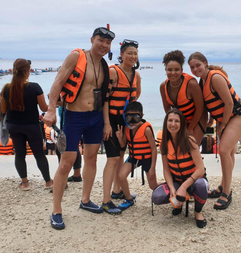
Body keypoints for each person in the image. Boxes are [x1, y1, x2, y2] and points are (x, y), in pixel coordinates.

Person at [42, 26, 114, 230]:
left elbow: (106, 96)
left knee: (91, 158)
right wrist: (51, 110)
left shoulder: (104, 66)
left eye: (107, 43)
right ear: (92, 40)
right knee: (66, 162)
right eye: (101, 40)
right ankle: (56, 210)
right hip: (73, 116)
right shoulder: (77, 56)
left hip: (95, 118)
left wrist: (107, 122)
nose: (104, 45)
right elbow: (58, 82)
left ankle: (85, 199)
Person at [188, 52, 241, 210]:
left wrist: (222, 124)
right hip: (223, 119)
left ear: (205, 63)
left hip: (236, 115)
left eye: (198, 65)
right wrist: (211, 120)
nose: (195, 69)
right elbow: (210, 103)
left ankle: (226, 193)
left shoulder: (215, 77)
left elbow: (228, 103)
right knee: (228, 153)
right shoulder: (202, 82)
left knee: (223, 151)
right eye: (192, 67)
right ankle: (223, 186)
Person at [0, 58, 52, 191]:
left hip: (14, 126)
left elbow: (3, 110)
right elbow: (44, 108)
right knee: (39, 154)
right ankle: (48, 181)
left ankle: (24, 183)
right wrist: (52, 100)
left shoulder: (6, 88)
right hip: (32, 126)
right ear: (27, 72)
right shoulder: (34, 87)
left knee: (19, 154)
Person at [151, 109, 208, 228]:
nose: (173, 124)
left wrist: (183, 187)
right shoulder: (164, 144)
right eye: (170, 120)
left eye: (177, 121)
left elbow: (200, 169)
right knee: (157, 197)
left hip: (194, 182)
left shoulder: (190, 141)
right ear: (166, 123)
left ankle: (198, 212)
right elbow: (166, 170)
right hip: (177, 182)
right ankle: (179, 203)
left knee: (201, 186)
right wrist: (172, 187)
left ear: (182, 124)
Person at [106, 40, 141, 203]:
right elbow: (104, 99)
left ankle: (116, 190)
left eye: (135, 53)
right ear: (121, 55)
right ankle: (110, 194)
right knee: (113, 157)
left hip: (127, 120)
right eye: (129, 53)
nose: (133, 56)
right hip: (112, 119)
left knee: (121, 154)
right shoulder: (113, 72)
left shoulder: (136, 75)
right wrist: (106, 123)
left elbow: (136, 95)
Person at [115, 101, 158, 210]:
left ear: (142, 116)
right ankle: (129, 199)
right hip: (134, 157)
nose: (133, 122)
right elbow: (123, 144)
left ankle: (172, 185)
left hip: (147, 158)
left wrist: (152, 167)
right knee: (121, 175)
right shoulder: (126, 128)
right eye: (129, 118)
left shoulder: (146, 129)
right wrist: (120, 138)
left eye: (136, 118)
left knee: (153, 186)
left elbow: (154, 149)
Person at [160, 50, 206, 146]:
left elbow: (200, 109)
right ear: (165, 70)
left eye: (176, 70)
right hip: (181, 121)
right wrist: (174, 124)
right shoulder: (163, 86)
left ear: (181, 70)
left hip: (197, 118)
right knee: (175, 148)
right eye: (169, 70)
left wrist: (190, 129)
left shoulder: (191, 84)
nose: (173, 73)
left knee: (191, 148)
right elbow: (168, 110)